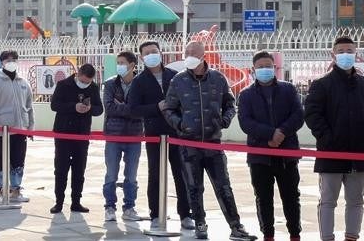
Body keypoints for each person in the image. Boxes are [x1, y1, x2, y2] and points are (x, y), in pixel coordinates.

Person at [163, 41, 256, 241]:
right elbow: (168, 108)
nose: (188, 54)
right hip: (189, 144)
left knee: (223, 186)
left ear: (202, 54)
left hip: (213, 143)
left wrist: (224, 120)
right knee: (194, 187)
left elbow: (230, 103)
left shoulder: (218, 78)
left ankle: (235, 226)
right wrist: (180, 125)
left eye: (192, 52)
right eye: (186, 51)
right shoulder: (178, 81)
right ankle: (200, 224)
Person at [304, 36, 364, 241]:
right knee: (328, 200)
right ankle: (327, 237)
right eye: (341, 51)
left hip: (358, 155)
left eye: (350, 51)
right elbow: (312, 115)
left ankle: (351, 237)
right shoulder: (321, 84)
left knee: (356, 200)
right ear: (333, 54)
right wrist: (328, 138)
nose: (346, 55)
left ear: (356, 54)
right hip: (330, 154)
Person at [127, 40, 193, 232]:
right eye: (147, 53)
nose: (151, 55)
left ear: (161, 53)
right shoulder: (139, 82)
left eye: (154, 51)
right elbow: (134, 109)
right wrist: (156, 107)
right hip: (154, 134)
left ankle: (186, 214)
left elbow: (186, 102)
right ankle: (155, 214)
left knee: (181, 174)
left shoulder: (175, 76)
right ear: (141, 58)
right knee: (155, 174)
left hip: (177, 133)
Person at [238, 51, 304, 241]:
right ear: (253, 70)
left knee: (291, 197)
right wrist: (269, 135)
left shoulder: (288, 89)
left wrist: (281, 132)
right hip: (259, 156)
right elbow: (245, 122)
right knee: (263, 198)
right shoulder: (246, 94)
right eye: (260, 67)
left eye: (269, 66)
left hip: (287, 154)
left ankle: (294, 234)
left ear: (275, 67)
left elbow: (298, 115)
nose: (265, 70)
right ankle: (268, 235)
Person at [50, 63, 103, 214]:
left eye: (88, 82)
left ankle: (76, 202)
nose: (86, 84)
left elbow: (100, 109)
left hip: (82, 133)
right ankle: (58, 202)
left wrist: (90, 108)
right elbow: (54, 105)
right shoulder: (63, 84)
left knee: (79, 170)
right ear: (78, 74)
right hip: (63, 133)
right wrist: (73, 107)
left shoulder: (93, 88)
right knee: (61, 169)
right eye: (84, 81)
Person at [0, 49, 34, 204]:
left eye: (13, 59)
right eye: (7, 60)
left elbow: (29, 106)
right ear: (2, 62)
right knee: (1, 160)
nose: (10, 62)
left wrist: (30, 128)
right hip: (2, 132)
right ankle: (1, 190)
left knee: (19, 161)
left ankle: (16, 190)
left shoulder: (23, 83)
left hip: (20, 129)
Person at [101, 50, 144, 224]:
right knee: (111, 173)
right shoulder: (110, 84)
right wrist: (130, 109)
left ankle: (129, 207)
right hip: (114, 134)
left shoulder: (141, 84)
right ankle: (109, 207)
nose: (118, 66)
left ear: (132, 65)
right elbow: (109, 107)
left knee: (131, 175)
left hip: (134, 136)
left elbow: (141, 110)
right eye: (117, 62)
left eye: (122, 62)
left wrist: (126, 108)